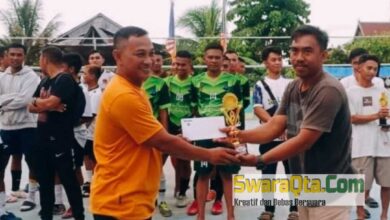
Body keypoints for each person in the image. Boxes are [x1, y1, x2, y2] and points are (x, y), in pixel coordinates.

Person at [89, 26, 238, 220]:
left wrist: (173, 138)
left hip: (131, 201)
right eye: (140, 54)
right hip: (120, 204)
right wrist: (210, 155)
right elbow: (162, 142)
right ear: (117, 56)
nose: (148, 61)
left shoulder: (135, 89)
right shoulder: (123, 95)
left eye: (151, 54)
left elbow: (149, 138)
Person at [220, 25, 355, 220]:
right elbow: (275, 126)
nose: (299, 57)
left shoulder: (328, 90)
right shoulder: (293, 87)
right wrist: (237, 134)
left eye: (307, 51)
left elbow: (304, 140)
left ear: (323, 55)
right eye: (294, 50)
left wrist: (259, 160)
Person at [28, 46, 84, 220]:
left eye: (39, 59)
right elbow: (30, 105)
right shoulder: (45, 81)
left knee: (69, 182)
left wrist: (44, 103)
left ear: (44, 59)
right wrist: (46, 103)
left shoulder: (64, 79)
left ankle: (79, 215)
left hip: (62, 140)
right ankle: (46, 216)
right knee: (45, 184)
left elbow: (46, 104)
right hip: (42, 139)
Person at [190, 43, 241, 220]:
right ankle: (201, 216)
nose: (213, 60)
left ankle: (231, 215)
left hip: (225, 133)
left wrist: (232, 134)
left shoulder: (233, 81)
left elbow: (235, 109)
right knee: (203, 175)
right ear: (204, 59)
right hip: (203, 134)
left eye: (217, 57)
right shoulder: (195, 81)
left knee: (227, 175)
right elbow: (194, 108)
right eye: (210, 57)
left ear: (222, 59)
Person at [252, 46, 297, 220]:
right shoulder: (260, 85)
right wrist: (274, 127)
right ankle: (269, 210)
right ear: (265, 63)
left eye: (280, 59)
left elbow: (295, 108)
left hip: (289, 137)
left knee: (292, 173)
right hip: (268, 137)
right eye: (273, 59)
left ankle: (295, 209)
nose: (278, 62)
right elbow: (257, 108)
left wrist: (285, 129)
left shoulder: (291, 84)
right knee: (268, 173)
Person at [346, 54, 390, 220]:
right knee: (361, 184)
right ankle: (360, 213)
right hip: (361, 145)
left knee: (387, 183)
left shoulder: (383, 92)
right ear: (359, 68)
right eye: (369, 68)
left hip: (384, 144)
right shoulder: (350, 92)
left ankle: (384, 215)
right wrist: (376, 115)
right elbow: (352, 118)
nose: (372, 72)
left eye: (375, 69)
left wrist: (386, 119)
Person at [0, 43, 40, 214]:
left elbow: (25, 100)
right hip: (6, 126)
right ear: (7, 56)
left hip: (27, 126)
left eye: (19, 55)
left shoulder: (31, 76)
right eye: (12, 54)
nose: (15, 58)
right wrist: (12, 99)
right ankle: (5, 202)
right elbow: (19, 99)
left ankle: (31, 197)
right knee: (2, 165)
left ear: (24, 56)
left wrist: (4, 101)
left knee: (32, 162)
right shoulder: (2, 76)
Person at [142, 52, 172, 217]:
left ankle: (161, 201)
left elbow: (163, 112)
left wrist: (164, 135)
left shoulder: (160, 84)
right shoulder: (131, 82)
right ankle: (145, 200)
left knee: (157, 166)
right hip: (133, 135)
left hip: (152, 132)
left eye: (154, 59)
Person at [164, 50, 193, 208]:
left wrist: (192, 125)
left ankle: (182, 192)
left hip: (187, 125)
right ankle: (159, 193)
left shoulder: (195, 83)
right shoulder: (167, 82)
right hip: (170, 124)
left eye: (183, 64)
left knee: (185, 160)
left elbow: (196, 107)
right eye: (176, 64)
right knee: (163, 159)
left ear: (190, 66)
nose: (179, 67)